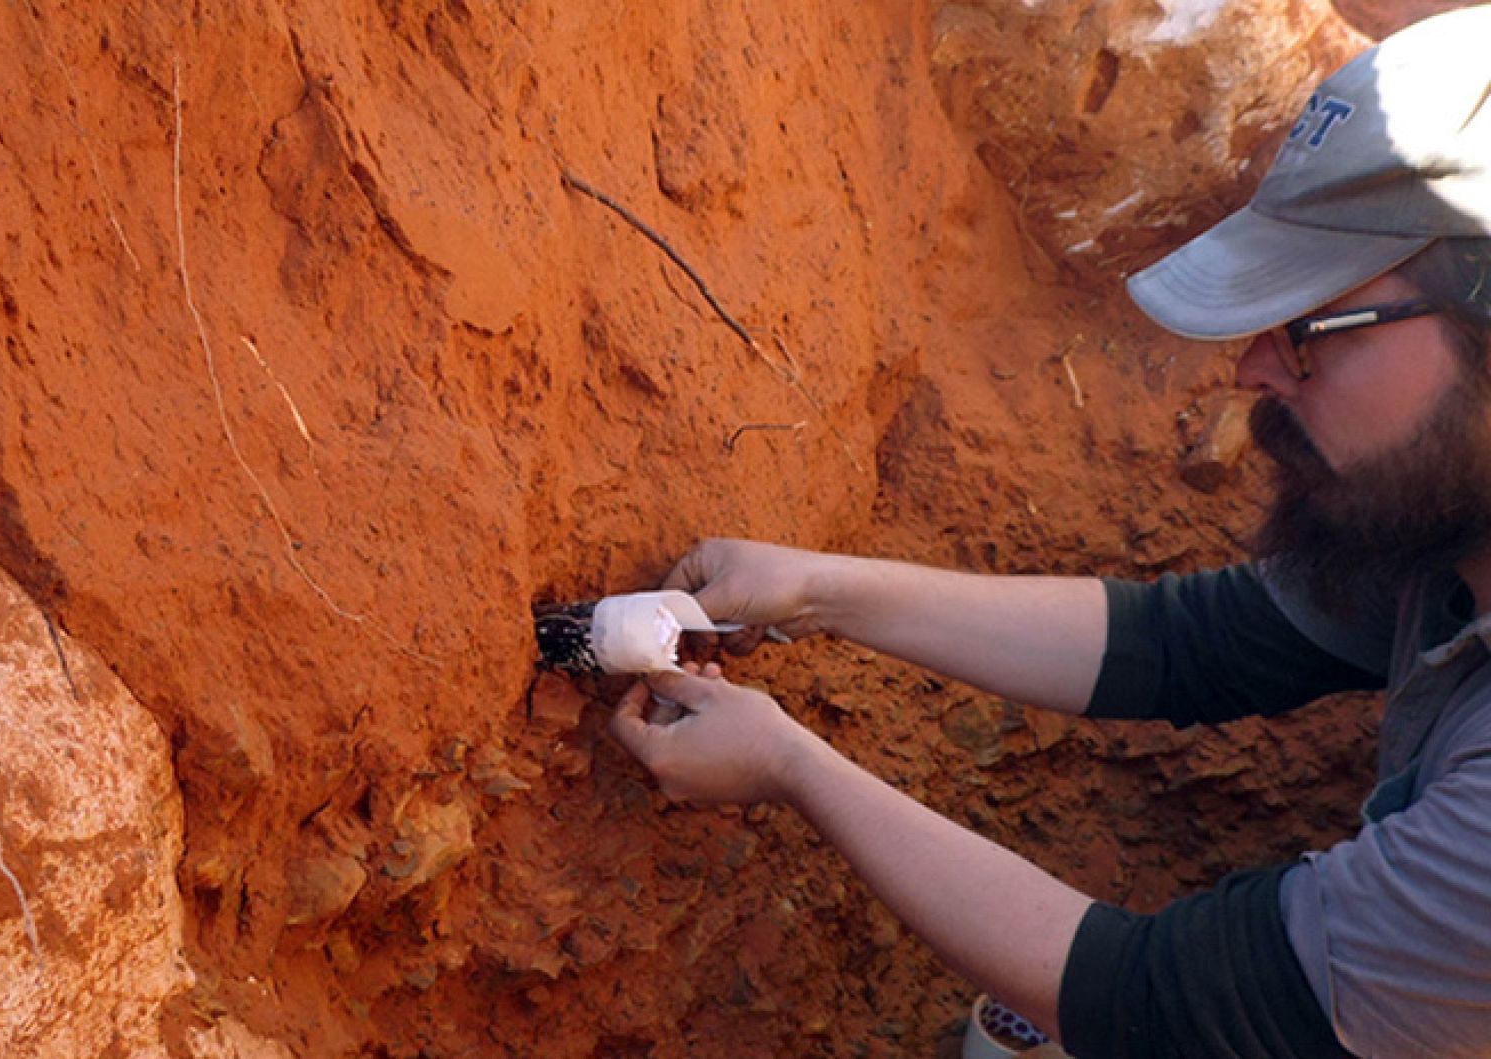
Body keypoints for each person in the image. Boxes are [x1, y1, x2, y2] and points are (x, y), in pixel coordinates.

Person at [607, 9, 1491, 1059]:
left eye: (1308, 327)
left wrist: (798, 769)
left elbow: (1163, 1008)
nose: (1252, 369)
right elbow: (1195, 644)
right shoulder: (1442, 534)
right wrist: (819, 591)